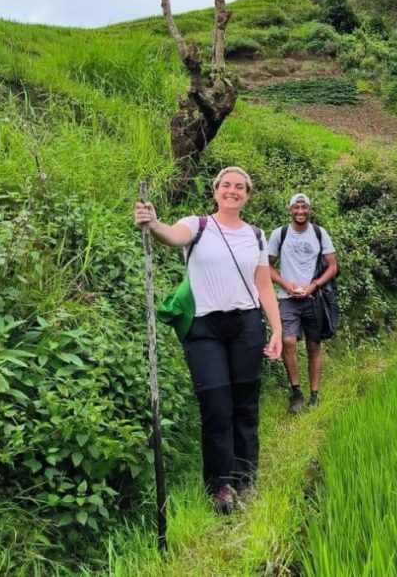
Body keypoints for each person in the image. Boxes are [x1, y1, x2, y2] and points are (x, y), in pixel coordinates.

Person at [133, 166, 282, 514]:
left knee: (246, 407)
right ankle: (220, 485)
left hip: (246, 325)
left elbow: (264, 287)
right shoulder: (197, 225)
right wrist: (153, 223)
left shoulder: (256, 236)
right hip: (205, 330)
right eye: (226, 185)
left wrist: (277, 330)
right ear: (216, 191)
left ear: (247, 194)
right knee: (216, 407)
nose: (232, 190)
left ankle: (245, 478)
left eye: (239, 187)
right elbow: (171, 235)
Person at [268, 193, 337, 414]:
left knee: (313, 345)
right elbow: (267, 266)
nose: (300, 212)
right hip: (287, 298)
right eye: (296, 208)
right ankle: (296, 392)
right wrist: (285, 283)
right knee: (288, 341)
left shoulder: (319, 233)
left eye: (304, 207)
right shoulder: (280, 234)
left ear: (309, 209)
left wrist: (313, 285)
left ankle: (314, 394)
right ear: (290, 210)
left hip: (313, 298)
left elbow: (332, 266)